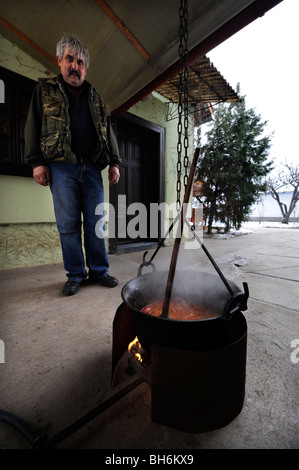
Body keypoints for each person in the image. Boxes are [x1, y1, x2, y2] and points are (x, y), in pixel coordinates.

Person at [25, 34, 121, 296]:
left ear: (86, 68)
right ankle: (76, 275)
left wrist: (114, 161)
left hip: (92, 168)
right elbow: (33, 125)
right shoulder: (45, 91)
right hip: (61, 168)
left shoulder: (96, 97)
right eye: (69, 59)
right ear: (59, 61)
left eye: (80, 62)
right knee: (68, 225)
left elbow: (107, 130)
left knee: (96, 224)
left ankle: (99, 271)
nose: (74, 66)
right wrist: (37, 162)